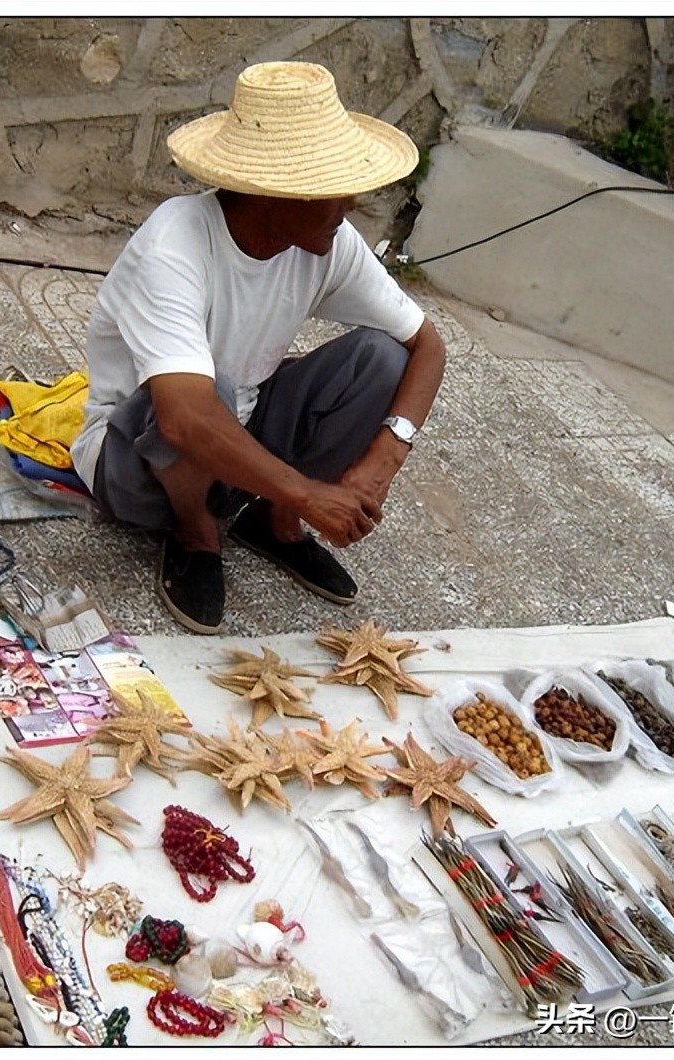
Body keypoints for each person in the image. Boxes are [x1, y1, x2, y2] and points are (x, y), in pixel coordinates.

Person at [70, 61, 446, 634]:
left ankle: (275, 521)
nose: (351, 203)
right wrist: (312, 492)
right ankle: (195, 533)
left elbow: (428, 347)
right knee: (203, 394)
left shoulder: (330, 243)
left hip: (238, 435)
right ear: (275, 193)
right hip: (135, 462)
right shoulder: (176, 242)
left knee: (381, 358)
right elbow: (183, 421)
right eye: (334, 188)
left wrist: (382, 461)